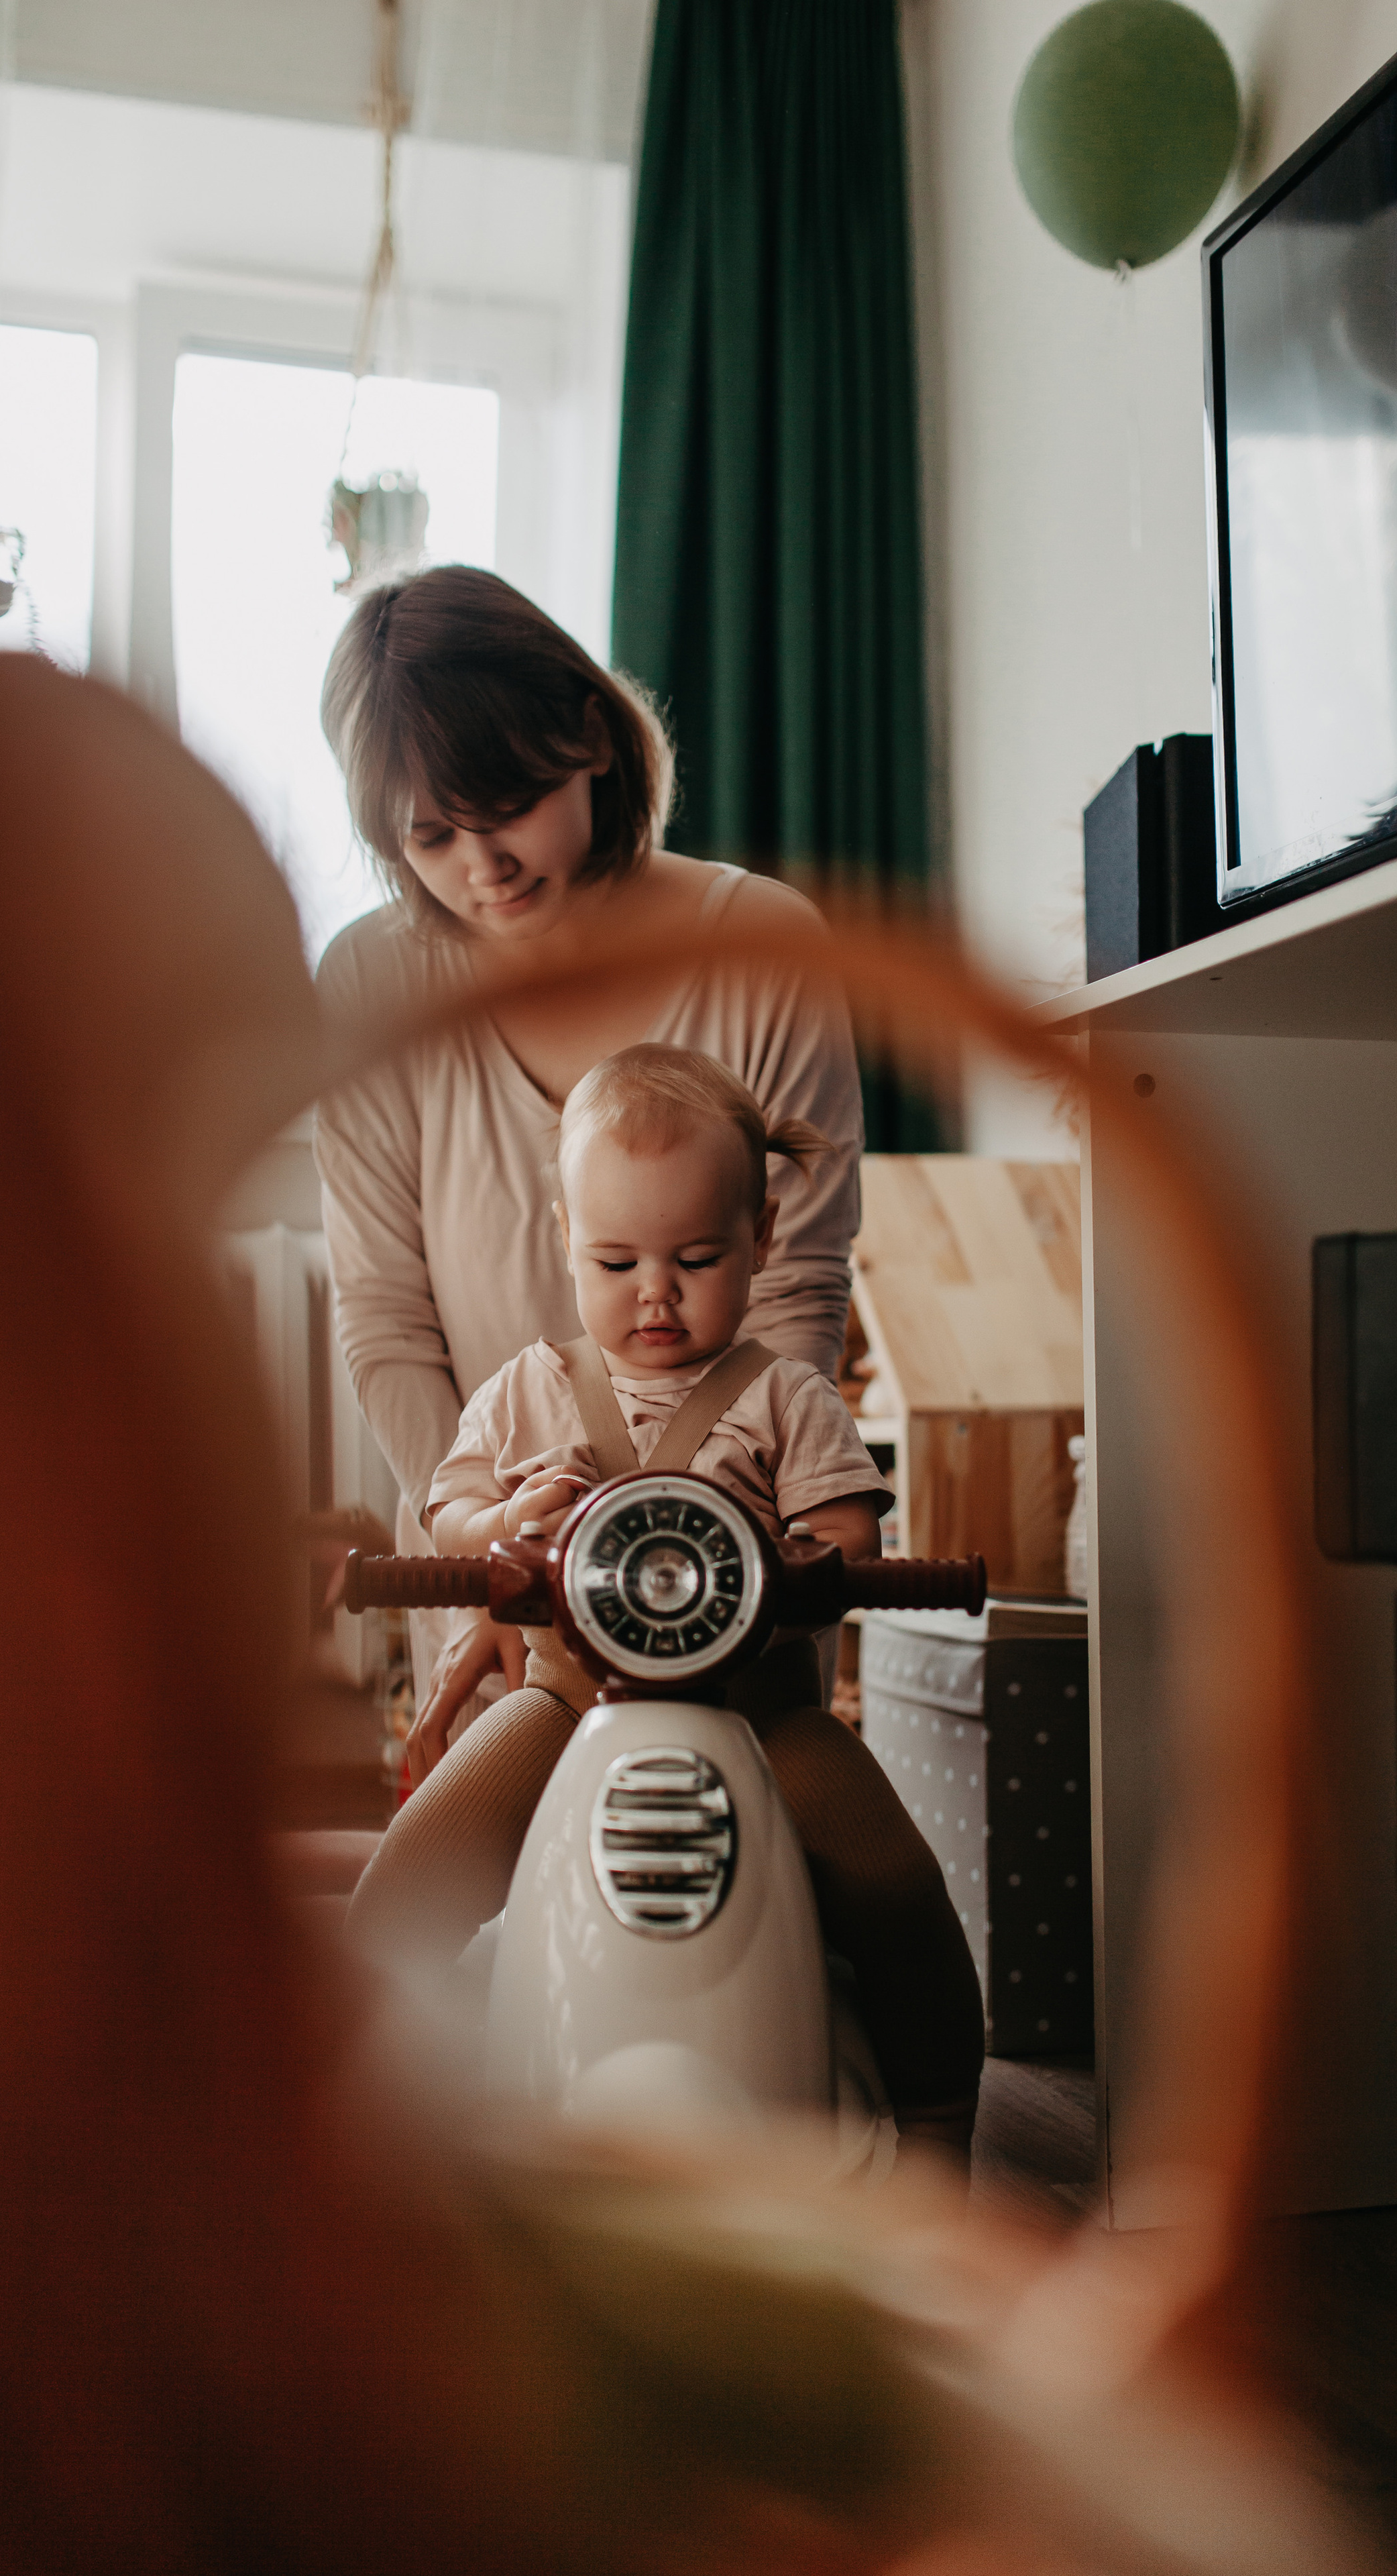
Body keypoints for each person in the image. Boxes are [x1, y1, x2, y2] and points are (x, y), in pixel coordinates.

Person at [344, 1045, 985, 2153]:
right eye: (615, 1259)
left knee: (895, 1880)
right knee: (414, 1872)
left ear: (761, 1239)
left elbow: (851, 1535)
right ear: (564, 1239)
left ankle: (937, 2116)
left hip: (763, 1715)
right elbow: (447, 1514)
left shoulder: (788, 1399)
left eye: (696, 1258)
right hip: (565, 1704)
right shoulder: (529, 1389)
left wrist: (797, 1552)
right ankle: (347, 2102)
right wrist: (505, 1524)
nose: (656, 1290)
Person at [315, 566, 864, 1778]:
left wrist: (710, 1554)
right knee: (488, 1872)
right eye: (430, 836)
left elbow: (796, 1294)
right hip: (498, 1578)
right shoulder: (370, 985)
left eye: (507, 805)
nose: (483, 865)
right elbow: (387, 1324)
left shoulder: (766, 945)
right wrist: (491, 1560)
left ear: (591, 740)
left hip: (723, 1577)